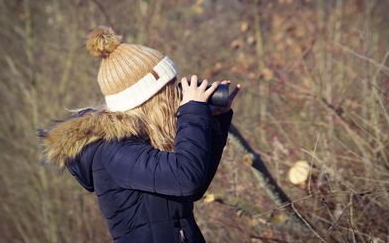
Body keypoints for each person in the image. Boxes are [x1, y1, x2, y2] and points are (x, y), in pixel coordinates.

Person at [39, 26, 240, 243]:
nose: (176, 96)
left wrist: (214, 120)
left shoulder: (142, 143)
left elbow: (193, 187)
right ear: (149, 99)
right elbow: (186, 178)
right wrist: (192, 111)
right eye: (169, 89)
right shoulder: (114, 152)